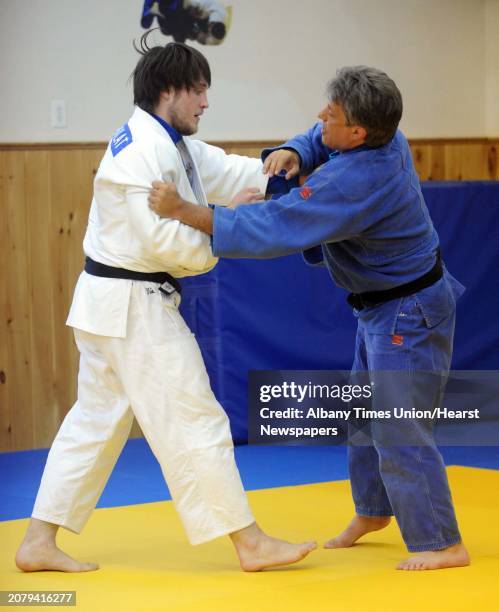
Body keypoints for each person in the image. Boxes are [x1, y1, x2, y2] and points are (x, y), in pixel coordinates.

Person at [147, 66, 471, 571]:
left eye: (333, 113)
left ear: (359, 132)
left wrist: (185, 210)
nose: (321, 116)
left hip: (409, 310)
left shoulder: (356, 178)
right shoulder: (386, 133)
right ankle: (374, 511)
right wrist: (296, 150)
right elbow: (320, 139)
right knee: (366, 416)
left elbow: (277, 225)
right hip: (384, 305)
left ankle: (442, 542)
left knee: (397, 426)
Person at [15, 34, 316, 574]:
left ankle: (39, 541)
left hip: (115, 305)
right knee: (195, 415)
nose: (206, 101)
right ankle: (248, 543)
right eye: (198, 90)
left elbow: (227, 170)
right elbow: (164, 243)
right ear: (169, 90)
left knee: (95, 423)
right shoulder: (141, 152)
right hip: (132, 305)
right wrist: (227, 228)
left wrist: (286, 172)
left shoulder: (169, 141)